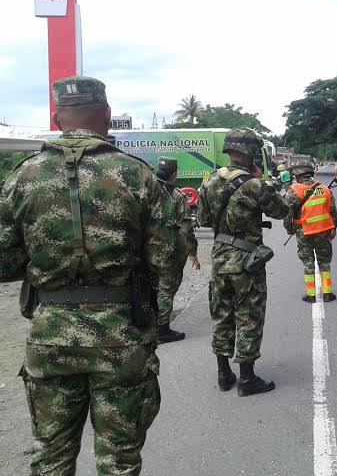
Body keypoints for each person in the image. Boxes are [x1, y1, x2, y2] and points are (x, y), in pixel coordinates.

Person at [0, 76, 174, 474]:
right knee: (119, 460)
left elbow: (3, 263)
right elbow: (168, 255)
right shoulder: (137, 175)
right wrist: (154, 313)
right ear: (108, 116)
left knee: (51, 456)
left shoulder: (22, 177)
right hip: (122, 335)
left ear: (58, 117)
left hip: (50, 337)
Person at [197, 128, 289, 396]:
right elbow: (281, 210)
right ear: (250, 153)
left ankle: (224, 374)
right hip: (247, 261)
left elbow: (202, 220)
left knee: (222, 315)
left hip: (219, 259)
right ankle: (247, 379)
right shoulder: (254, 184)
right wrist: (262, 183)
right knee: (249, 317)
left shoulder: (210, 181)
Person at [155, 156, 201, 343]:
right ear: (173, 174)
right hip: (169, 252)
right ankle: (161, 330)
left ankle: (147, 323)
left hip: (146, 249)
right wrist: (192, 252)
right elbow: (185, 228)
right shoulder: (177, 196)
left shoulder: (145, 190)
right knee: (166, 290)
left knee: (149, 286)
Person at [283, 164, 337, 304]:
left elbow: (286, 214)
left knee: (308, 263)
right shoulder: (324, 189)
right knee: (324, 262)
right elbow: (333, 212)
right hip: (323, 231)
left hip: (304, 232)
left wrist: (289, 228)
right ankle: (327, 293)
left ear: (298, 176)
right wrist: (334, 228)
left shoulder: (293, 191)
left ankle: (311, 295)